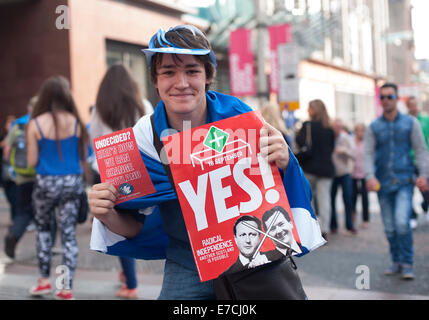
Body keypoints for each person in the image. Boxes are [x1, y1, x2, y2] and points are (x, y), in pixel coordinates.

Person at [89, 25, 321, 300]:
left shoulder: (240, 118)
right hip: (187, 264)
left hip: (256, 257)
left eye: (192, 70)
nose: (181, 82)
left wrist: (284, 161)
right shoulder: (143, 139)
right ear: (155, 80)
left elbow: (286, 192)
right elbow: (135, 225)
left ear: (209, 75)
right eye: (168, 72)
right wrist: (106, 213)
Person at [26, 76, 88, 300]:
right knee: (68, 235)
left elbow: (32, 162)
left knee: (43, 231)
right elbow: (82, 156)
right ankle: (64, 287)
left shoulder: (35, 124)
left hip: (45, 184)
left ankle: (43, 281)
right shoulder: (76, 122)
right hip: (71, 183)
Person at [90, 63, 146, 299]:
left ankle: (131, 284)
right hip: (138, 173)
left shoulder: (100, 109)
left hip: (110, 174)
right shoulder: (142, 105)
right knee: (137, 223)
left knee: (118, 226)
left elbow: (94, 140)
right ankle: (128, 277)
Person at [364, 83, 428, 280]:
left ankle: (407, 262)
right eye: (382, 97)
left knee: (402, 223)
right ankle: (396, 260)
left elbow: (420, 150)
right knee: (390, 227)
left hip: (404, 181)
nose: (385, 100)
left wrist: (424, 174)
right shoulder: (374, 126)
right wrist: (369, 175)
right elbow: (368, 152)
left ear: (397, 99)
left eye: (389, 97)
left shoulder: (410, 123)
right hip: (382, 183)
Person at [3, 97, 38, 259]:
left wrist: (12, 166)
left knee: (23, 210)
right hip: (40, 175)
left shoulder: (18, 124)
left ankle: (14, 234)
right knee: (45, 213)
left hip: (22, 176)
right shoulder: (42, 123)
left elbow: (7, 150)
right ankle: (45, 247)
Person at [295, 99, 335, 240]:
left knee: (308, 200)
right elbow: (331, 148)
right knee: (325, 201)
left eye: (309, 108)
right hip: (326, 169)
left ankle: (311, 230)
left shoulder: (307, 126)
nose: (307, 111)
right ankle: (324, 230)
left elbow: (300, 143)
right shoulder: (329, 128)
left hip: (310, 168)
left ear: (314, 110)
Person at [330, 119, 357, 235]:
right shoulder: (329, 138)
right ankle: (333, 225)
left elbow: (354, 154)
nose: (337, 129)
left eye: (339, 127)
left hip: (345, 172)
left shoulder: (346, 138)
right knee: (331, 200)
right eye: (336, 127)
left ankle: (349, 224)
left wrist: (344, 150)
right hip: (331, 173)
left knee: (347, 199)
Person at [406, 96, 429, 228]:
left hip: (423, 160)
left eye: (415, 104)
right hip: (408, 160)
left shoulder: (426, 120)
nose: (413, 107)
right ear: (408, 106)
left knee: (425, 189)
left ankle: (425, 206)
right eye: (411, 105)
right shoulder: (404, 121)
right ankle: (412, 216)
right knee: (408, 190)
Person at [351, 123, 369, 229]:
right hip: (353, 173)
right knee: (352, 196)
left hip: (364, 174)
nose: (360, 133)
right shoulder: (352, 141)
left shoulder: (367, 143)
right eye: (358, 130)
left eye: (362, 130)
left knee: (364, 198)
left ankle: (365, 219)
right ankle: (353, 216)